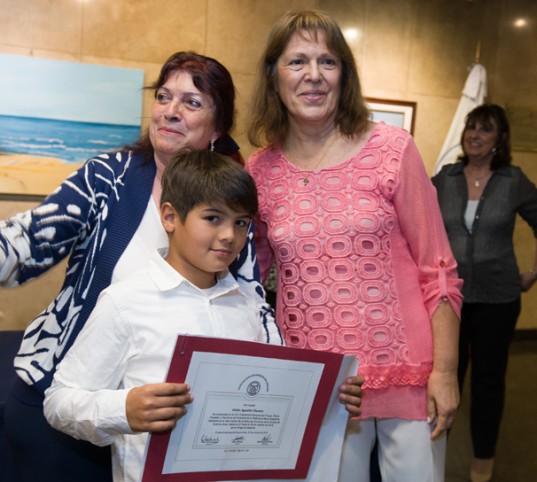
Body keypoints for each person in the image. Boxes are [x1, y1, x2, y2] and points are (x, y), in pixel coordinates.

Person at [0, 51, 281, 482]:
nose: (170, 111)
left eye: (191, 102)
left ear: (217, 127)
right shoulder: (108, 177)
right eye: (164, 96)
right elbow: (27, 240)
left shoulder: (226, 205)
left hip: (162, 429)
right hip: (63, 408)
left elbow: (252, 310)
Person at [246, 10, 464, 482]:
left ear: (344, 73)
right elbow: (245, 279)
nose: (313, 76)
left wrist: (445, 373)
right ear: (273, 75)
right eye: (297, 61)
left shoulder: (392, 148)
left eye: (328, 61)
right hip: (320, 380)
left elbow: (439, 268)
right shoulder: (259, 172)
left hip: (409, 374)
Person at [43, 150, 282, 481]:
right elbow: (59, 402)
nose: (229, 235)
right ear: (169, 217)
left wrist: (330, 397)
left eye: (240, 222)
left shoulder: (246, 305)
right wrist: (124, 409)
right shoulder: (126, 302)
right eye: (213, 218)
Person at [432, 104, 537, 482]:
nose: (474, 134)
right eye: (470, 127)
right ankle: (436, 454)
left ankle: (482, 465)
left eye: (485, 129)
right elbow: (417, 225)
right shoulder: (445, 177)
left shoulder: (513, 180)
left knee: (488, 382)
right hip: (449, 301)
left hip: (498, 299)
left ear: (499, 139)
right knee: (446, 377)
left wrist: (534, 273)